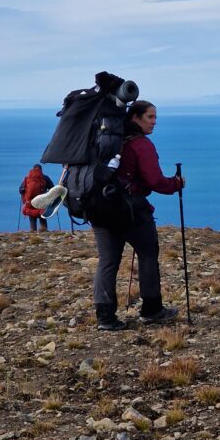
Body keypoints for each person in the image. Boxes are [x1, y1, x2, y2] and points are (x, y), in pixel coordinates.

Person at [93, 100, 184, 332]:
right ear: (135, 117)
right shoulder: (141, 144)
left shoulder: (107, 142)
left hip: (100, 208)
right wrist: (176, 184)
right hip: (131, 210)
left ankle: (105, 317)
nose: (154, 122)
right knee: (147, 254)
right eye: (150, 117)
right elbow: (155, 180)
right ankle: (152, 310)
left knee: (107, 261)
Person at [19, 164, 53, 232]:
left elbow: (20, 190)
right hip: (42, 202)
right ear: (41, 170)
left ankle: (33, 232)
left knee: (32, 218)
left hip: (30, 202)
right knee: (42, 217)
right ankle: (44, 231)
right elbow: (52, 189)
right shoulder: (45, 178)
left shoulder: (27, 178)